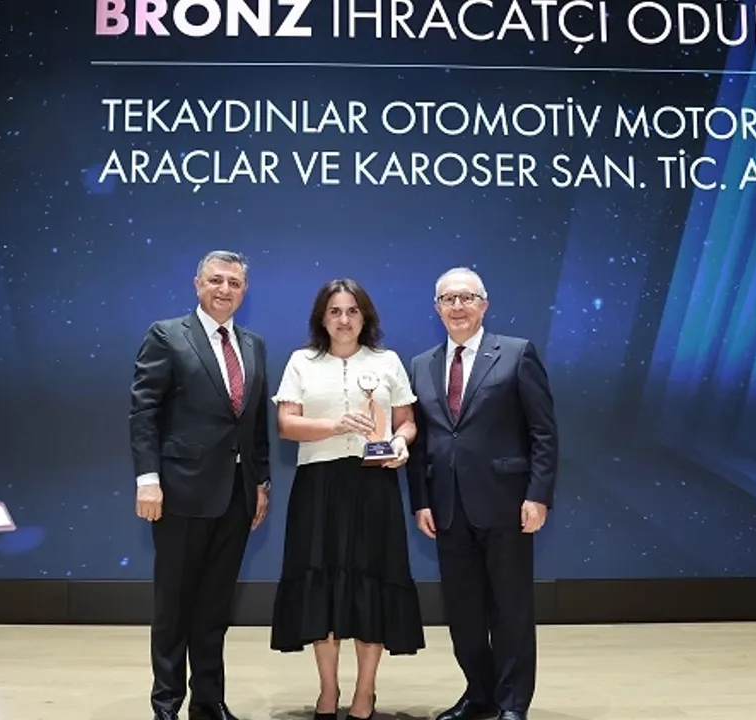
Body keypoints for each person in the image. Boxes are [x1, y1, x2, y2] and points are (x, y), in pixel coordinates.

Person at [269, 277, 426, 720]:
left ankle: (365, 693)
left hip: (373, 484)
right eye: (335, 311)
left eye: (352, 311)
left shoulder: (387, 361)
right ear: (322, 318)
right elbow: (287, 425)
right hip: (317, 486)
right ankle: (327, 690)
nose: (344, 320)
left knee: (370, 582)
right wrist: (336, 426)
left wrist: (400, 442)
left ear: (365, 316)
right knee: (321, 584)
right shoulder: (301, 361)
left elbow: (407, 421)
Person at [406, 267, 559, 720]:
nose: (457, 307)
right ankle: (479, 694)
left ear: (484, 304)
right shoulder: (421, 364)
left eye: (467, 297)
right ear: (436, 308)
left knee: (511, 610)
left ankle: (512, 704)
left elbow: (543, 432)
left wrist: (538, 495)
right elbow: (420, 442)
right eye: (448, 299)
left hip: (507, 504)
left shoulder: (516, 353)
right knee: (464, 612)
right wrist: (420, 500)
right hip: (447, 508)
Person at [129, 250, 272, 720]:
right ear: (197, 284)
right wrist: (148, 480)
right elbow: (144, 412)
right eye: (216, 280)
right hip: (180, 493)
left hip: (236, 496)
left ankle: (209, 703)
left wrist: (262, 482)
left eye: (234, 283)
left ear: (244, 291)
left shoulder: (253, 345)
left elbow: (254, 424)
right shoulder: (167, 335)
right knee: (174, 606)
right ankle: (166, 705)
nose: (224, 289)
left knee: (214, 607)